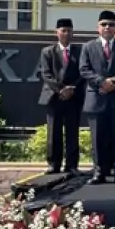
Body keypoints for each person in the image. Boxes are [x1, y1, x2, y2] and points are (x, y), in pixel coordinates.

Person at [79, 10, 115, 185]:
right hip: (96, 98)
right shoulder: (88, 47)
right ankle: (99, 172)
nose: (107, 27)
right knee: (97, 139)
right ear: (98, 27)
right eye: (104, 24)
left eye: (111, 24)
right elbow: (84, 69)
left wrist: (114, 81)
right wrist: (102, 82)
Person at [38, 18, 84, 175]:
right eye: (63, 30)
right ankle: (54, 164)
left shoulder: (79, 51)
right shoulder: (47, 52)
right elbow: (46, 74)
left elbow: (83, 73)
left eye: (69, 30)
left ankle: (72, 165)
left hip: (73, 97)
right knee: (54, 132)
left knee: (72, 131)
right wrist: (61, 90)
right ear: (56, 32)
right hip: (54, 97)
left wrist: (72, 89)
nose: (66, 33)